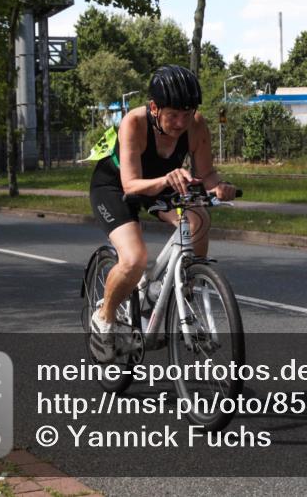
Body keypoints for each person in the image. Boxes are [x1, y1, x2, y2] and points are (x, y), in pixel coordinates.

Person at [88, 64, 236, 361]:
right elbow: (131, 185)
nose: (181, 122)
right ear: (154, 108)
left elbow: (206, 174)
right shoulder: (134, 123)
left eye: (188, 113)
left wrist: (219, 187)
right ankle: (104, 318)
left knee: (198, 219)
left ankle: (186, 285)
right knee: (134, 259)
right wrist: (167, 180)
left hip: (166, 181)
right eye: (173, 115)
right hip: (116, 186)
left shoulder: (196, 125)